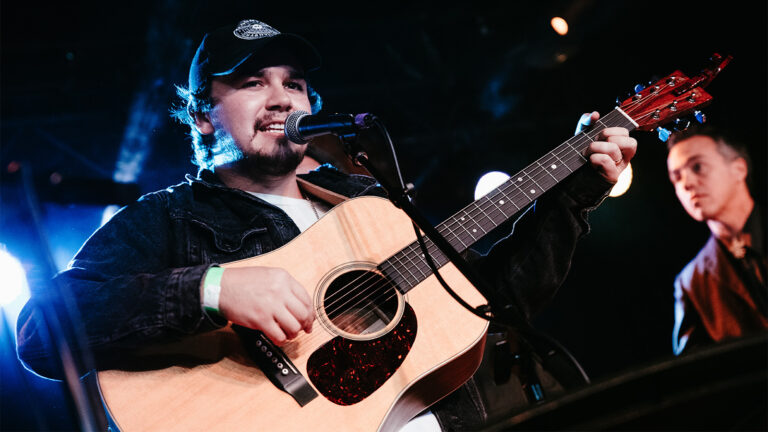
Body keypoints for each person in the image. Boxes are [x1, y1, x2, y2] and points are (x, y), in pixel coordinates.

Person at [16, 19, 637, 431]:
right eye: (252, 82)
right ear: (203, 117)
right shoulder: (169, 219)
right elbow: (44, 327)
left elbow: (492, 304)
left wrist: (573, 196)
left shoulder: (367, 203)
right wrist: (212, 290)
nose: (282, 98)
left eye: (295, 84)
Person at [666, 125, 767, 355]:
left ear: (739, 169)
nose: (686, 183)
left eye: (698, 166)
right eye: (676, 177)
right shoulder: (690, 283)